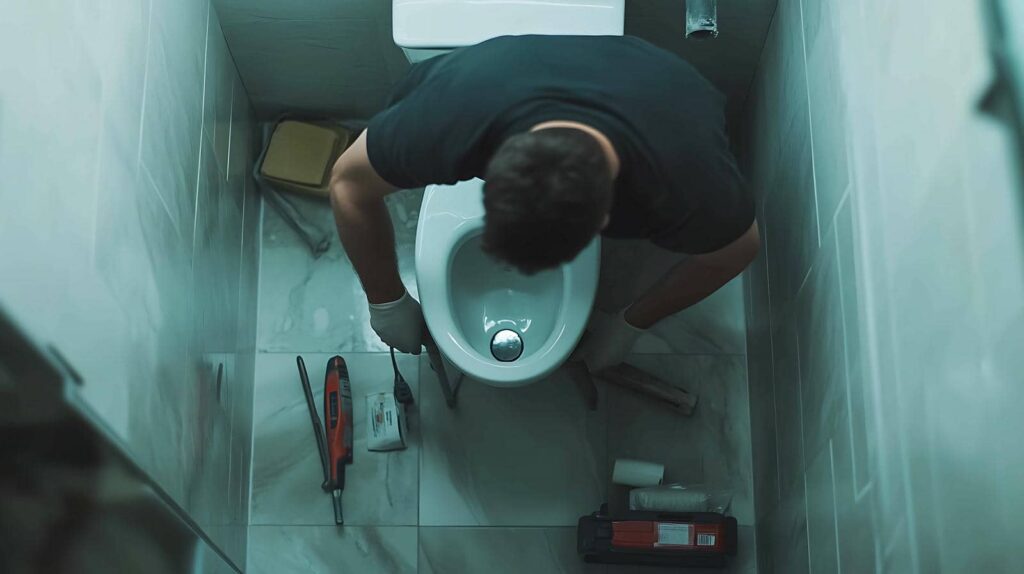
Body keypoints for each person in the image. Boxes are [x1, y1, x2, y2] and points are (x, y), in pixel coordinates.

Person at [329, 35, 759, 373]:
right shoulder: (448, 119)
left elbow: (736, 251)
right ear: (489, 169)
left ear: (607, 217)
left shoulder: (687, 179)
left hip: (661, 87)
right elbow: (348, 185)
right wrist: (385, 298)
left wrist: (633, 322)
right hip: (487, 74)